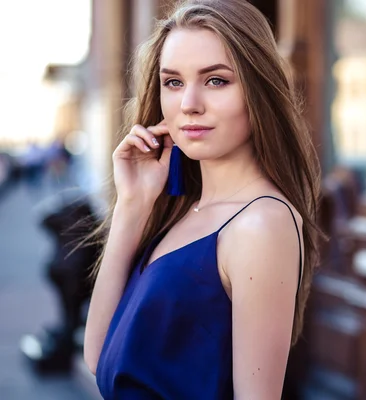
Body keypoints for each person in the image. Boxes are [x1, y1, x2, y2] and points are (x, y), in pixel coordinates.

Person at [83, 0, 322, 398]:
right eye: (173, 82)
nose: (189, 104)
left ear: (258, 90)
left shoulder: (261, 224)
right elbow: (99, 357)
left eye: (216, 80)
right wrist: (133, 204)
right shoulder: (179, 211)